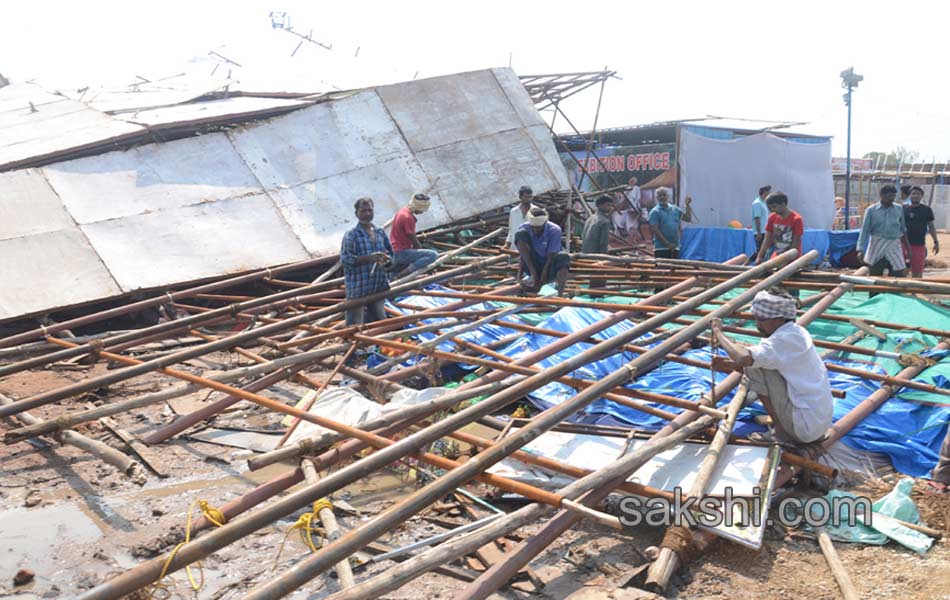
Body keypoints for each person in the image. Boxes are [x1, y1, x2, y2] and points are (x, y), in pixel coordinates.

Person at [710, 289, 833, 445]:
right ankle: (784, 428)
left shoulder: (783, 339)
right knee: (756, 363)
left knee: (754, 367)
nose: (757, 324)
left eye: (762, 320)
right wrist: (730, 364)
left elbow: (743, 358)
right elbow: (756, 359)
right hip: (818, 425)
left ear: (780, 319)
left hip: (804, 428)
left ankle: (781, 433)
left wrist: (717, 332)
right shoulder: (796, 332)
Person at [340, 197, 393, 326]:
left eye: (370, 210)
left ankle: (378, 345)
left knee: (380, 320)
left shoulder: (380, 232)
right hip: (359, 288)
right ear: (356, 214)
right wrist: (370, 258)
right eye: (363, 211)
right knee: (354, 325)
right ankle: (354, 345)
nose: (367, 213)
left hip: (378, 285)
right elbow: (346, 260)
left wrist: (386, 261)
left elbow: (390, 253)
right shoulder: (351, 235)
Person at [515, 207, 570, 296]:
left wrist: (543, 276)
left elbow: (551, 255)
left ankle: (560, 295)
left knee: (563, 257)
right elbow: (523, 255)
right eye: (534, 228)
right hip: (533, 263)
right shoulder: (524, 228)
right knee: (520, 234)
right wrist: (528, 274)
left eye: (539, 228)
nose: (536, 230)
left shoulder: (554, 230)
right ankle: (533, 285)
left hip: (550, 264)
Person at [857, 184, 908, 279]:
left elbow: (903, 229)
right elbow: (865, 230)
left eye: (893, 196)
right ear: (881, 195)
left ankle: (893, 293)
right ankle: (875, 293)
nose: (892, 199)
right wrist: (860, 249)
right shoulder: (871, 210)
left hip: (894, 244)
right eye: (889, 196)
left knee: (898, 273)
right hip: (877, 244)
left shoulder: (899, 209)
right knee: (875, 275)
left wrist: (908, 248)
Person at [389, 193, 438, 277]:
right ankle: (401, 275)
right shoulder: (408, 218)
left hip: (395, 249)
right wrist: (426, 261)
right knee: (433, 255)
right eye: (423, 210)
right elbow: (414, 240)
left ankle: (398, 273)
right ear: (419, 207)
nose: (423, 212)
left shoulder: (403, 211)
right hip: (401, 252)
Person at [755, 191, 804, 264]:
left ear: (783, 204)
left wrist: (787, 260)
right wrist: (760, 256)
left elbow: (795, 243)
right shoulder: (772, 217)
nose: (772, 210)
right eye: (769, 208)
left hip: (792, 259)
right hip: (777, 256)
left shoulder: (796, 219)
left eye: (774, 207)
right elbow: (767, 239)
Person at [903, 185, 939, 278]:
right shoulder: (902, 209)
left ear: (921, 196)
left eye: (918, 194)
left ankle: (915, 291)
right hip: (903, 245)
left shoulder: (926, 210)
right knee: (902, 272)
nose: (915, 196)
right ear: (909, 196)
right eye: (913, 193)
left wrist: (936, 241)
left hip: (919, 245)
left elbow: (931, 227)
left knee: (917, 273)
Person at [648, 188, 693, 259]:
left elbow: (688, 218)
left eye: (664, 195)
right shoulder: (655, 212)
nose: (662, 197)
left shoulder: (675, 209)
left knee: (675, 268)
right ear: (657, 198)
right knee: (663, 269)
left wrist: (687, 205)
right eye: (660, 195)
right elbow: (655, 230)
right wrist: (667, 243)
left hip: (675, 246)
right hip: (661, 248)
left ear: (668, 196)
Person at [582, 195, 614, 291]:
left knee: (592, 276)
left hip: (586, 252)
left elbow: (583, 236)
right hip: (597, 253)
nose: (610, 208)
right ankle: (597, 294)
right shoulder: (604, 221)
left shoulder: (590, 219)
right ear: (600, 205)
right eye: (607, 205)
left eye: (610, 205)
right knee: (599, 278)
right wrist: (604, 259)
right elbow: (603, 243)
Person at [752, 185, 771, 257]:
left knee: (762, 251)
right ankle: (747, 264)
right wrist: (758, 232)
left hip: (764, 231)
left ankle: (747, 264)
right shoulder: (757, 203)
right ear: (765, 192)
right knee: (760, 251)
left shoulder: (763, 203)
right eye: (769, 192)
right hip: (760, 231)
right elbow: (757, 218)